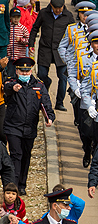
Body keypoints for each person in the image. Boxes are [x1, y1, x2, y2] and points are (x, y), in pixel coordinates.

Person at [4, 57, 54, 196]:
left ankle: (22, 184)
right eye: (22, 71)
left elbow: (46, 103)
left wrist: (49, 117)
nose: (25, 74)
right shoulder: (12, 82)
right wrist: (13, 88)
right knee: (16, 155)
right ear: (17, 71)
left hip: (30, 127)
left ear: (31, 71)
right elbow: (6, 87)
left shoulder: (39, 85)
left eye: (27, 71)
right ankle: (12, 187)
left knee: (26, 155)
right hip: (13, 126)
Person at [27, 0, 75, 111]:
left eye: (60, 8)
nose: (58, 10)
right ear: (51, 6)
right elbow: (35, 28)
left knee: (63, 78)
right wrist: (31, 44)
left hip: (61, 51)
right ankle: (45, 90)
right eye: (56, 8)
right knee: (42, 75)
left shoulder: (68, 16)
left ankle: (59, 102)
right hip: (45, 49)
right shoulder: (44, 13)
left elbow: (75, 35)